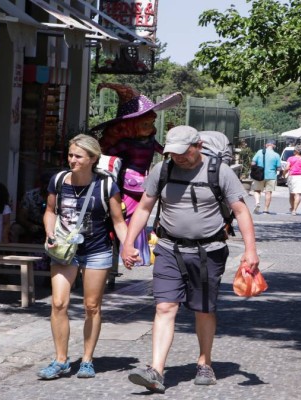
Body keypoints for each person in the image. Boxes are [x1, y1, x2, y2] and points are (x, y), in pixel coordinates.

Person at [121, 125, 260, 393]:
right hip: (168, 249)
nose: (179, 158)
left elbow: (241, 212)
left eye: (183, 152)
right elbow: (144, 208)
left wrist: (250, 250)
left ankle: (204, 363)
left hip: (209, 251)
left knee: (204, 309)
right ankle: (156, 371)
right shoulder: (162, 170)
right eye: (173, 153)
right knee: (164, 307)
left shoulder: (219, 171)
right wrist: (128, 243)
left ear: (197, 145)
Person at [38, 134, 129, 380]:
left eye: (78, 156)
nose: (72, 160)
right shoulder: (58, 181)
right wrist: (49, 232)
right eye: (70, 155)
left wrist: (128, 246)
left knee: (91, 306)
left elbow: (118, 222)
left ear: (92, 158)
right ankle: (60, 360)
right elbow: (49, 211)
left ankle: (87, 360)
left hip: (97, 250)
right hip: (64, 250)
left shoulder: (107, 186)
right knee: (58, 303)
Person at [90, 83, 183, 265]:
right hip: (128, 183)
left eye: (151, 123)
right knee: (128, 217)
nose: (150, 127)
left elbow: (164, 151)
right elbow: (108, 152)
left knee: (139, 218)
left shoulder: (149, 141)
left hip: (144, 181)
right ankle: (130, 251)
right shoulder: (127, 143)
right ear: (131, 125)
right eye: (145, 124)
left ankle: (138, 253)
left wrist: (172, 136)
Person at [250, 140, 281, 214]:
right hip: (271, 175)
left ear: (265, 145)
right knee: (268, 193)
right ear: (274, 146)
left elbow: (253, 163)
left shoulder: (259, 152)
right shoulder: (276, 155)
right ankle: (266, 209)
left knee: (257, 190)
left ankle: (257, 202)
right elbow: (279, 168)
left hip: (259, 175)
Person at [283, 144, 301, 215]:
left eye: (294, 151)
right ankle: (294, 210)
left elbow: (287, 168)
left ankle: (292, 207)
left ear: (296, 151)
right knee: (298, 194)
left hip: (292, 177)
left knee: (292, 194)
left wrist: (283, 174)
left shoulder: (290, 158)